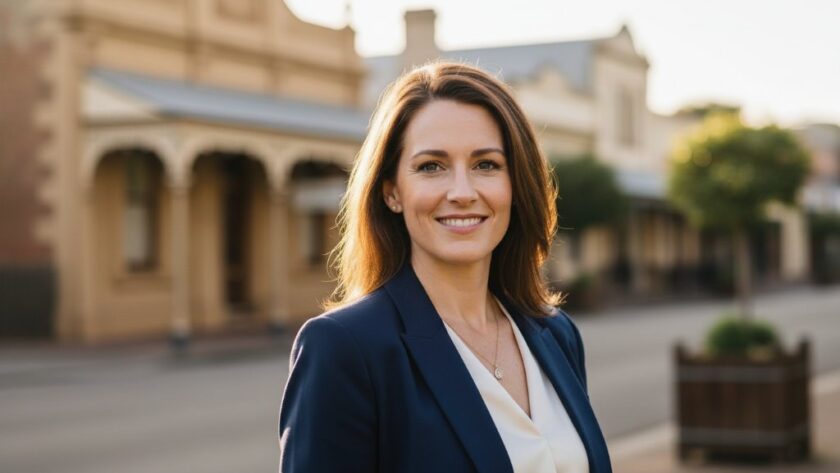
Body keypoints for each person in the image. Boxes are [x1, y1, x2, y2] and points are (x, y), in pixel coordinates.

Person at [278, 61, 612, 473]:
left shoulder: (556, 334)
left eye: (486, 164)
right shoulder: (344, 348)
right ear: (392, 192)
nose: (462, 192)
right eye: (431, 166)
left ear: (515, 184)